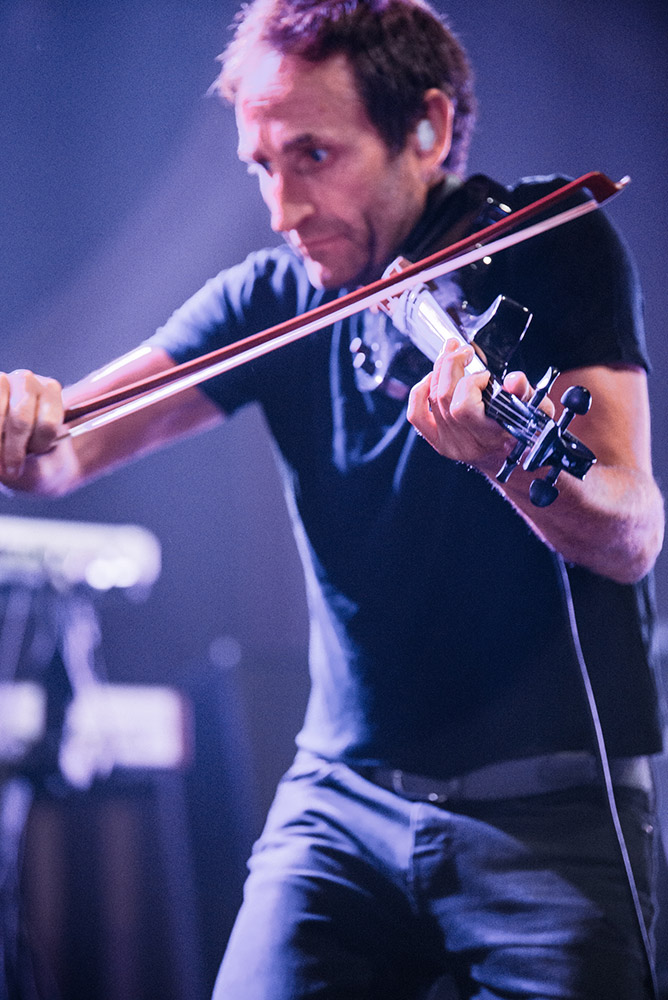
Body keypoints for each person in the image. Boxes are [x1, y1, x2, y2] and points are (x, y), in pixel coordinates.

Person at [0, 1, 664, 997]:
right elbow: (63, 451)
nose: (280, 207)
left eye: (311, 154)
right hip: (340, 806)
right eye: (260, 165)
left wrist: (503, 455)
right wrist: (21, 422)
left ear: (426, 128)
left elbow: (628, 533)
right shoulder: (269, 298)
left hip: (551, 816)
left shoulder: (549, 246)